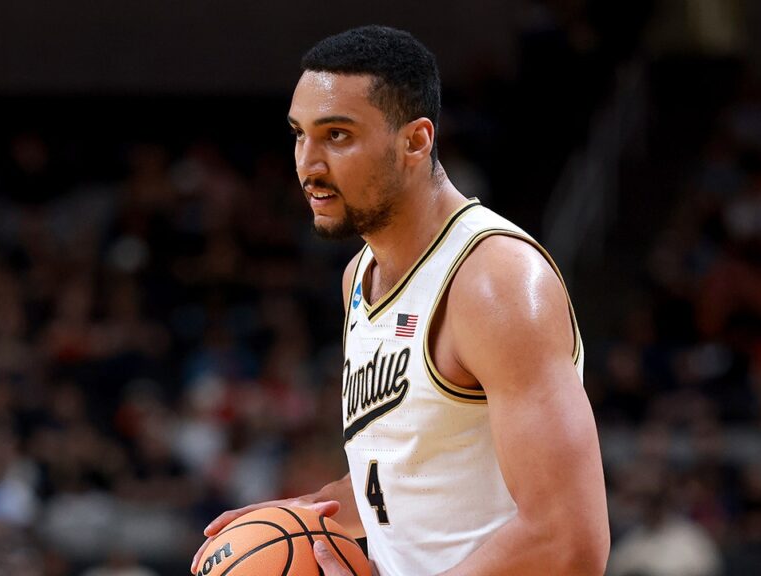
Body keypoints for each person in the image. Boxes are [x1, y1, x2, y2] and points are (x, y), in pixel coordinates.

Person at [191, 25, 609, 576]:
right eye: (299, 135)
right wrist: (297, 518)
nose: (308, 164)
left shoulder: (493, 281)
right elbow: (408, 480)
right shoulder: (358, 276)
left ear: (415, 141)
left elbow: (569, 539)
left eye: (337, 135)